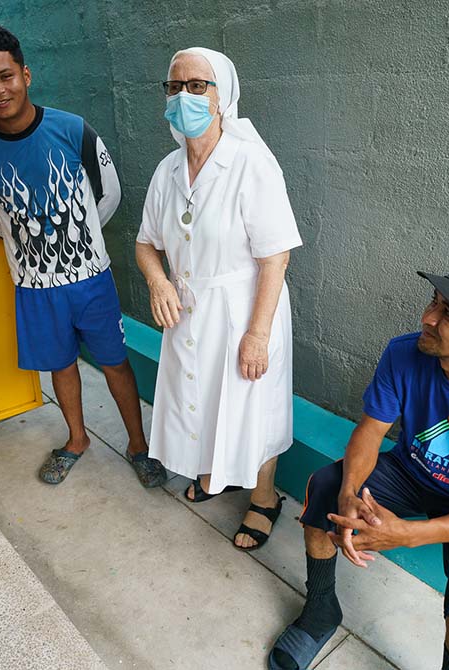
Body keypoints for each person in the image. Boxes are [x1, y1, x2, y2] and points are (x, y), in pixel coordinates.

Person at [268, 260, 449, 670]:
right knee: (326, 487)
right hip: (412, 472)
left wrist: (409, 534)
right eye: (434, 301)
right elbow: (371, 432)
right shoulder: (404, 352)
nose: (427, 318)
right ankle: (320, 610)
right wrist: (350, 494)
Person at [0, 23, 166, 488]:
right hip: (35, 287)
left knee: (115, 361)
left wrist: (77, 241)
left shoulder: (72, 130)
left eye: (6, 75)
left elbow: (107, 196)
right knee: (61, 365)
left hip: (91, 278)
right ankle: (77, 439)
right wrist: (35, 248)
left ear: (26, 74)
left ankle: (138, 444)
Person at [135, 48, 303, 550]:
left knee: (255, 404)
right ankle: (218, 472)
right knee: (203, 398)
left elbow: (276, 257)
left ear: (222, 95)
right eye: (174, 86)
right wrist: (158, 281)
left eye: (197, 85)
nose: (184, 95)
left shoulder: (251, 162)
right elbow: (146, 243)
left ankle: (265, 497)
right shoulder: (168, 171)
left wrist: (257, 334)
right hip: (189, 308)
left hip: (246, 308)